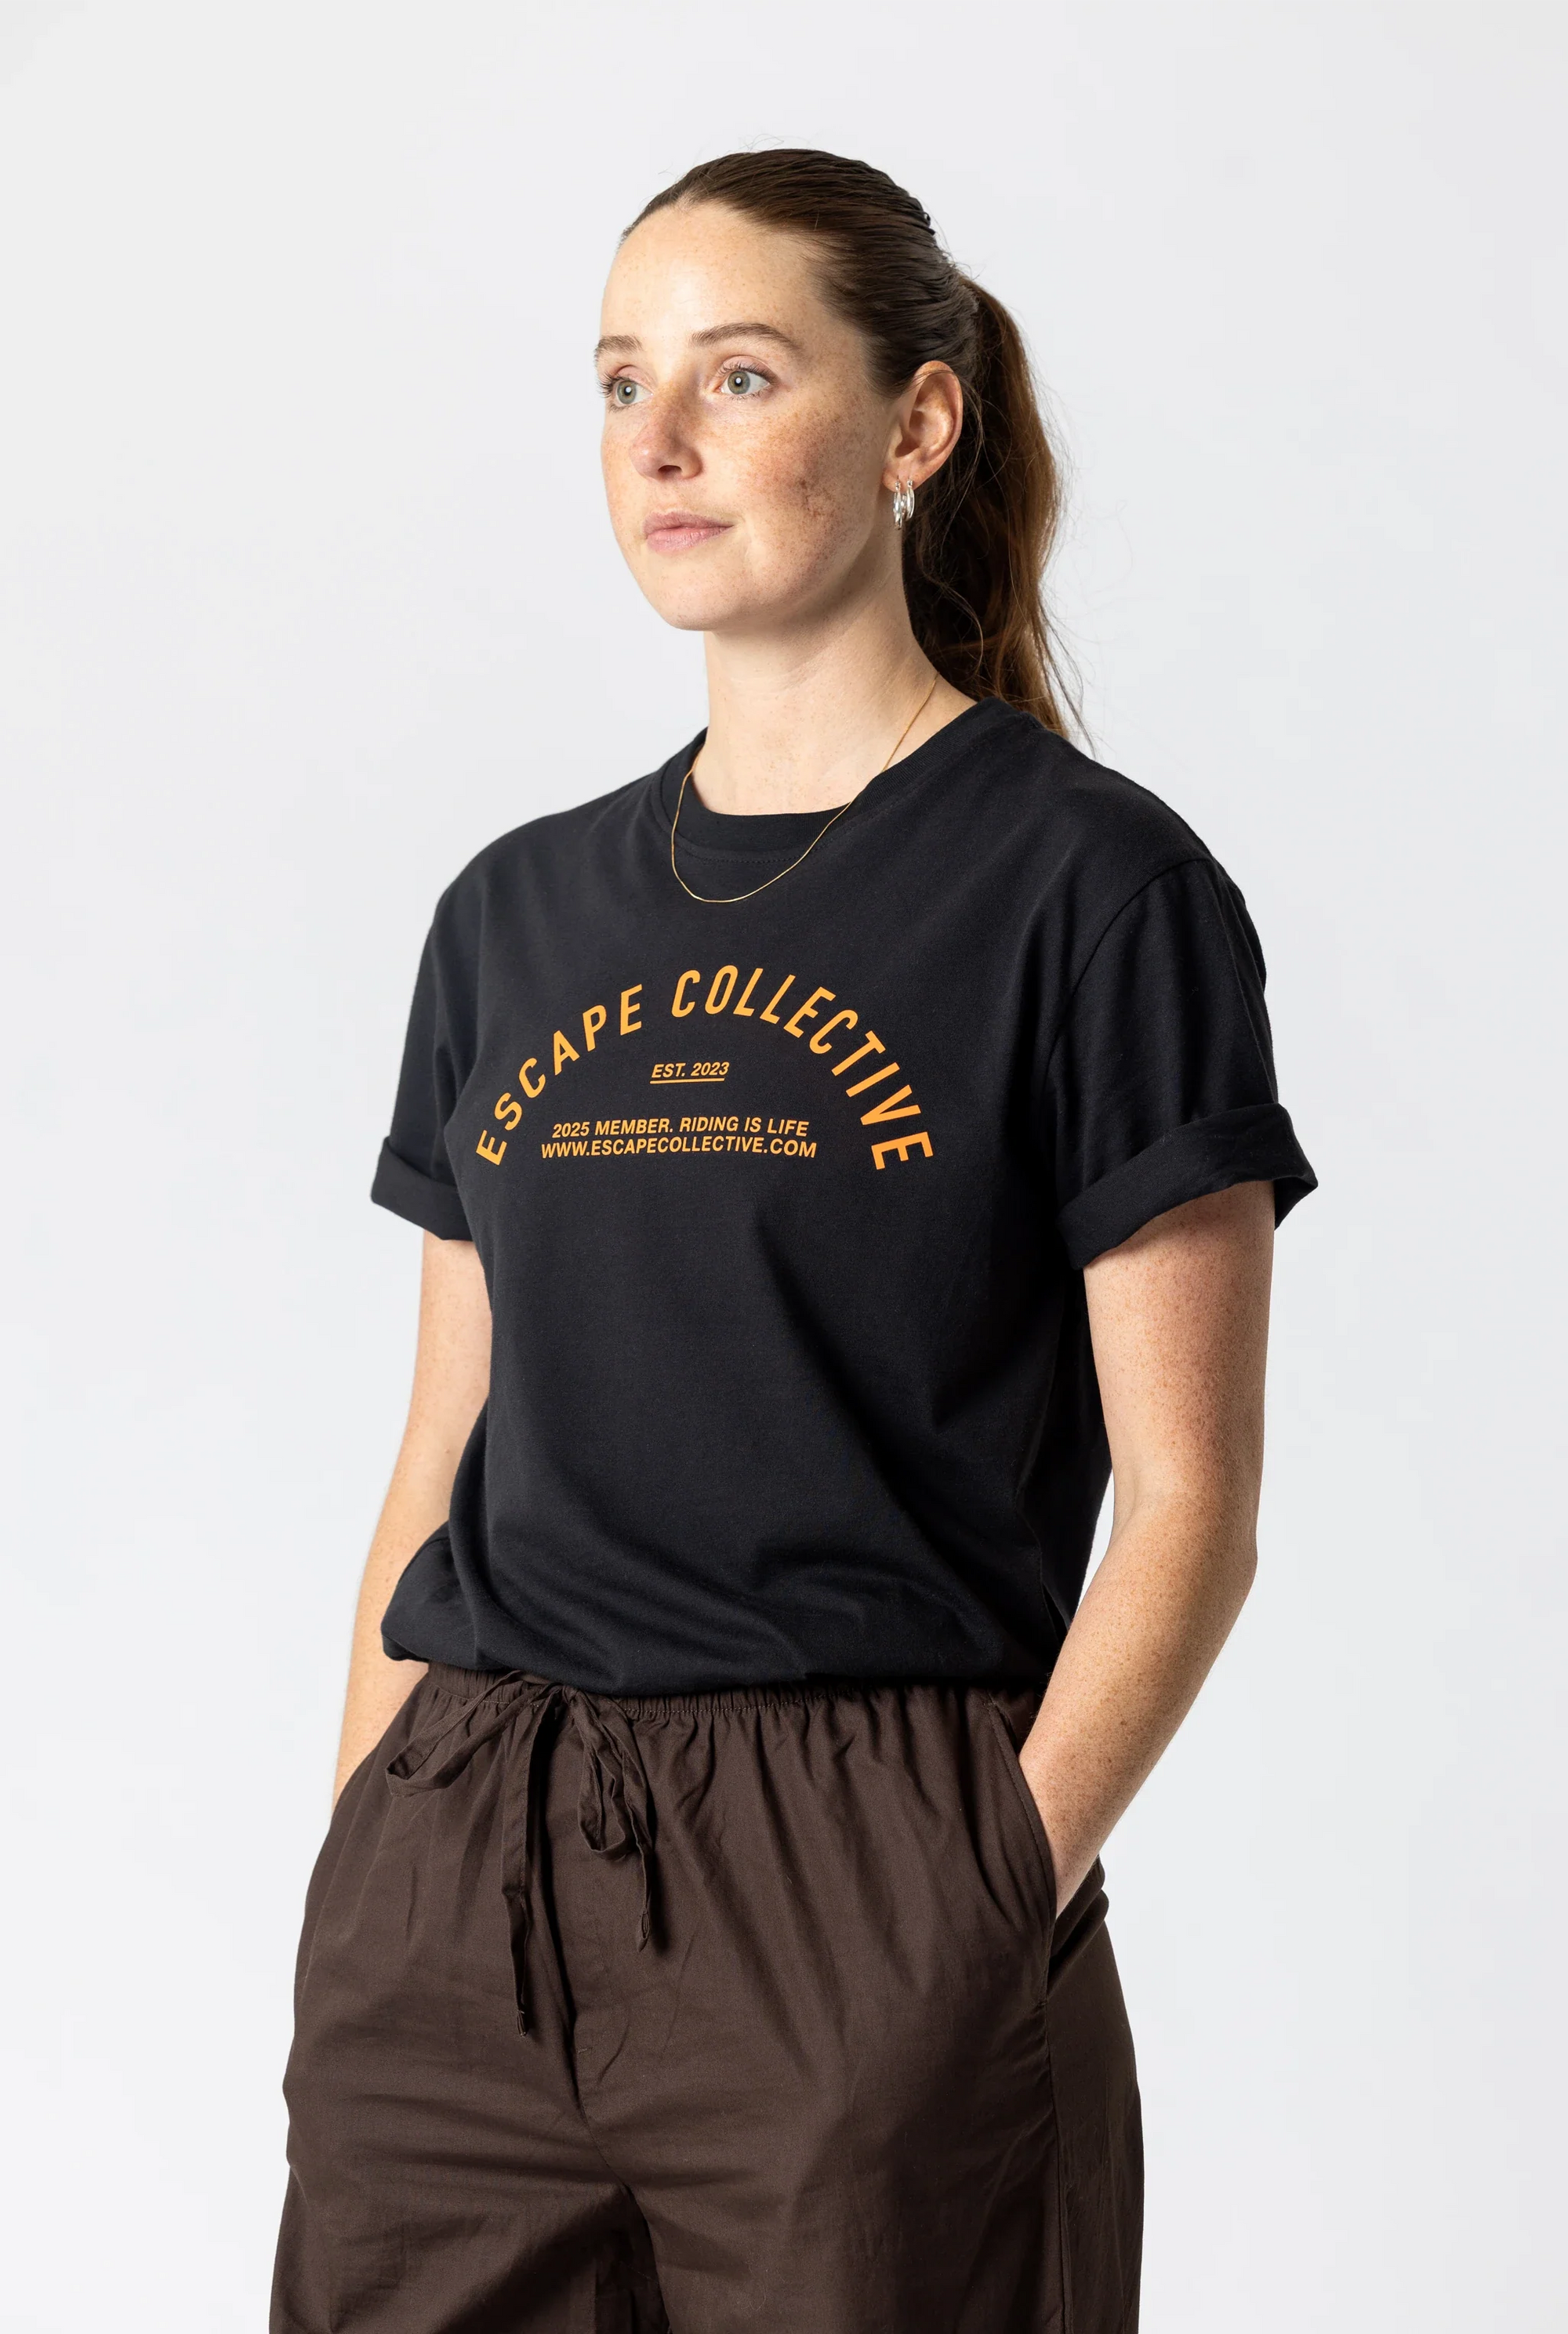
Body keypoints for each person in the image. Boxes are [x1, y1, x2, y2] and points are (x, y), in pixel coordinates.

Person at [269, 147, 1316, 2334]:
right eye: (620, 382)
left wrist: (974, 1903)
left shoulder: (1091, 894)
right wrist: (368, 1858)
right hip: (462, 1883)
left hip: (864, 1863)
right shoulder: (512, 914)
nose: (659, 441)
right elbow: (442, 1445)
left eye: (738, 377)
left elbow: (1191, 1505)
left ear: (919, 423)